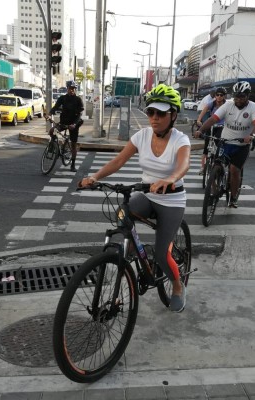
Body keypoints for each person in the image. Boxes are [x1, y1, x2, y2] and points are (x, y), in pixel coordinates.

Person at [79, 84, 191, 313]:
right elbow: (118, 161)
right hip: (148, 195)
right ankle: (127, 260)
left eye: (161, 113)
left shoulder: (181, 140)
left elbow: (184, 165)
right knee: (123, 213)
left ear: (173, 115)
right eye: (151, 112)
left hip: (171, 200)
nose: (154, 118)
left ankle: (178, 286)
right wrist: (95, 176)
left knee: (161, 254)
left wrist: (170, 179)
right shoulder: (142, 136)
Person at [195, 81, 255, 207]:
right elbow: (213, 119)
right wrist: (200, 130)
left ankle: (233, 196)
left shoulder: (254, 107)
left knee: (234, 170)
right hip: (225, 142)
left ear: (248, 96)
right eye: (236, 96)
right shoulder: (227, 106)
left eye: (241, 96)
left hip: (241, 146)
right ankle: (214, 192)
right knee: (215, 165)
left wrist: (252, 135)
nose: (238, 99)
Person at [48, 80, 84, 171]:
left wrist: (74, 124)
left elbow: (80, 114)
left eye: (73, 88)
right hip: (63, 122)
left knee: (73, 144)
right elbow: (55, 107)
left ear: (75, 89)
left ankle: (73, 164)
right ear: (67, 88)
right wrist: (49, 114)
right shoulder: (62, 98)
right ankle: (53, 145)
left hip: (73, 124)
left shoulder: (78, 100)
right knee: (52, 131)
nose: (71, 90)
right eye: (70, 88)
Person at [196, 87, 227, 175]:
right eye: (217, 95)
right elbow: (203, 111)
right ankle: (202, 167)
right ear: (215, 96)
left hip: (221, 127)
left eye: (221, 95)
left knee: (219, 143)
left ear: (224, 96)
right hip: (211, 126)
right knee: (206, 148)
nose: (219, 96)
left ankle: (219, 162)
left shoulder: (227, 105)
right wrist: (199, 120)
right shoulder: (211, 104)